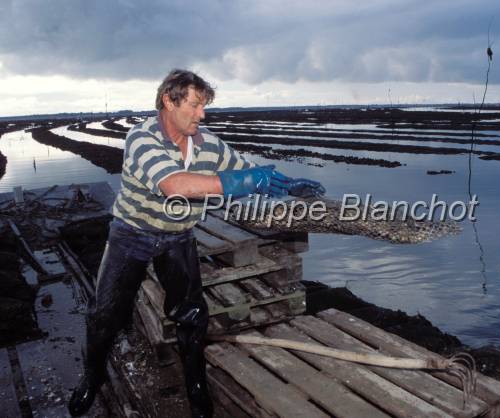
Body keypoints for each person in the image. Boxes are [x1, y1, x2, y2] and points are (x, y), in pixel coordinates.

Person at [68, 69, 325, 417]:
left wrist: (285, 182)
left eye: (204, 106)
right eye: (195, 105)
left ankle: (197, 388)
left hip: (177, 234)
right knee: (105, 315)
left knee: (191, 316)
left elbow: (243, 167)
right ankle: (92, 377)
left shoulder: (208, 144)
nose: (202, 114)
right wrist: (244, 180)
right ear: (168, 101)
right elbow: (175, 185)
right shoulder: (142, 138)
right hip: (132, 233)